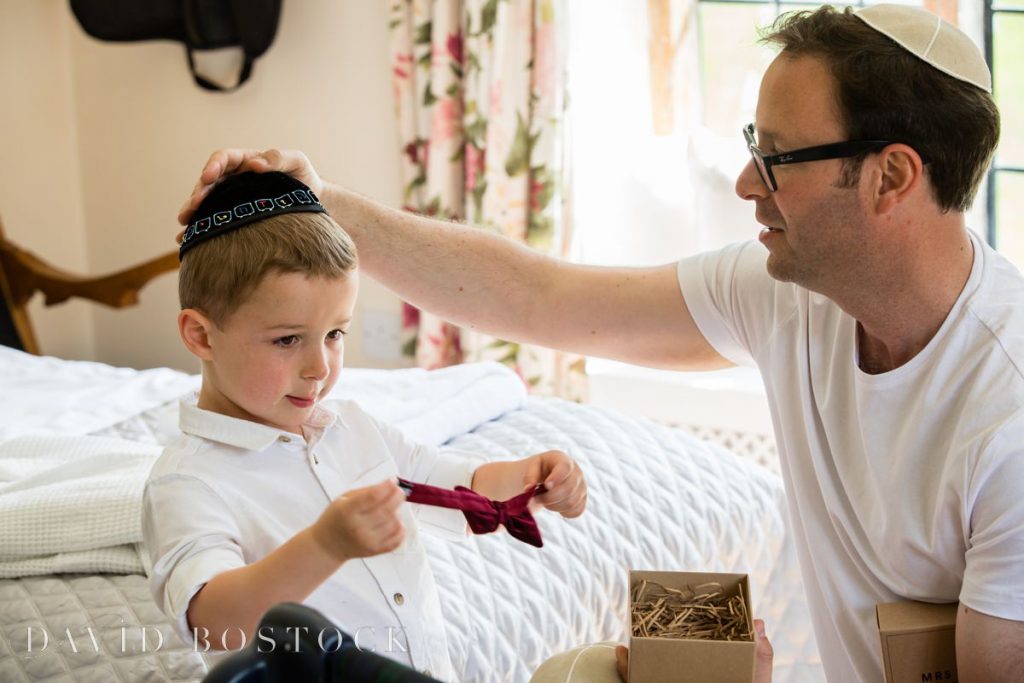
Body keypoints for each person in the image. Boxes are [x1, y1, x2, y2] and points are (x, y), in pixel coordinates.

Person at [178, 4, 1024, 681]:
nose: (743, 183)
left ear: (890, 177)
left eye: (775, 159)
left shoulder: (1008, 418)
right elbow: (545, 296)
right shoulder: (786, 294)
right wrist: (321, 202)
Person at [144, 170, 588, 681]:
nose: (320, 367)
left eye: (335, 334)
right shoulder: (189, 482)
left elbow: (452, 486)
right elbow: (216, 625)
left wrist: (532, 476)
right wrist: (325, 546)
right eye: (288, 339)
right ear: (201, 335)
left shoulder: (348, 426)